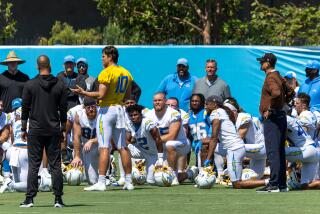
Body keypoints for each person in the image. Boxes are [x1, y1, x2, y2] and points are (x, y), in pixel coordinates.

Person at [71, 45, 134, 191]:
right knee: (122, 146)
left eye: (103, 56)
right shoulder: (126, 73)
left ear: (110, 57)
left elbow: (101, 95)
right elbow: (128, 96)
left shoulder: (106, 72)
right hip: (120, 109)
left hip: (107, 110)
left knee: (104, 146)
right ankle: (129, 181)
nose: (102, 59)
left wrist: (84, 92)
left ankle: (101, 182)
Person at [20, 55, 68, 208]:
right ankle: (58, 199)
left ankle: (29, 199)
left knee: (34, 165)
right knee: (55, 165)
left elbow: (25, 109)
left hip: (35, 130)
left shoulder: (30, 84)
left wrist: (23, 128)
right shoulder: (60, 85)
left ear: (37, 66)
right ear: (50, 65)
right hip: (54, 129)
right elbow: (63, 110)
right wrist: (63, 128)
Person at [205, 96, 268, 189]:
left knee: (237, 183)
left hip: (257, 148)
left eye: (206, 104)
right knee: (252, 180)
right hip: (247, 150)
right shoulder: (225, 117)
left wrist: (208, 159)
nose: (205, 106)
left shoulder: (242, 116)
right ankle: (275, 180)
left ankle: (220, 173)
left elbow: (238, 137)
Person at [256, 53, 289, 193]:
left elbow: (275, 93)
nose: (260, 64)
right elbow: (291, 91)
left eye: (262, 62)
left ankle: (274, 184)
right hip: (281, 116)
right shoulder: (279, 76)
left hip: (273, 118)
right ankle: (282, 184)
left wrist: (270, 109)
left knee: (273, 151)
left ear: (268, 63)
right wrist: (283, 104)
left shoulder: (270, 77)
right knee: (280, 151)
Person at [145, 92, 191, 185]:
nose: (157, 102)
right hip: (161, 146)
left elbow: (172, 136)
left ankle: (174, 176)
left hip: (181, 144)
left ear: (165, 101)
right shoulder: (149, 115)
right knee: (157, 177)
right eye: (155, 100)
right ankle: (190, 174)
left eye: (159, 100)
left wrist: (154, 141)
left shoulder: (173, 113)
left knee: (170, 144)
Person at [224, 98, 266, 179]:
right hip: (255, 152)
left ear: (234, 111)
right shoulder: (233, 121)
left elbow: (239, 138)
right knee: (254, 178)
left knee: (223, 148)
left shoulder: (243, 116)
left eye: (227, 112)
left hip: (260, 149)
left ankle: (223, 172)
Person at [126, 104, 161, 184]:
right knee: (124, 150)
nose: (133, 117)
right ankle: (123, 177)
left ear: (141, 114)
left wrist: (161, 158)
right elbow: (125, 140)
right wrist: (130, 146)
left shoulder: (147, 122)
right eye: (131, 115)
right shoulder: (129, 124)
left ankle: (143, 170)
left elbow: (158, 139)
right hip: (141, 150)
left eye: (135, 115)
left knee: (150, 181)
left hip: (153, 154)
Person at [71, 97, 99, 185]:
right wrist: (77, 156)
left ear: (96, 106)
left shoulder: (102, 114)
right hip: (86, 148)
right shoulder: (79, 115)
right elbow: (76, 136)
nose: (91, 109)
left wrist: (92, 141)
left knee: (105, 147)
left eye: (93, 107)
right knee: (92, 181)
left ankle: (106, 175)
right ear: (84, 107)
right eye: (88, 107)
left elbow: (105, 136)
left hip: (100, 144)